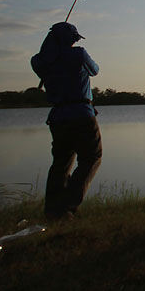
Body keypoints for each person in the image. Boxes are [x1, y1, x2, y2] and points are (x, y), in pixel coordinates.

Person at [30, 21, 102, 220]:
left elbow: (44, 63)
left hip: (58, 118)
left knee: (61, 163)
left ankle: (52, 209)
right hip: (82, 114)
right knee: (91, 158)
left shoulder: (38, 61)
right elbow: (95, 70)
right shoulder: (78, 54)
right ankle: (67, 205)